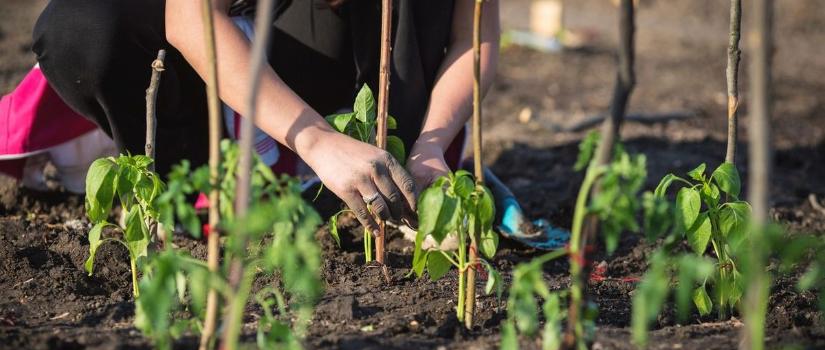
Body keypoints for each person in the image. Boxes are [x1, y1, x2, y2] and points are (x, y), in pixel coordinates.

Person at [0, 0, 568, 249]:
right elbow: (191, 15)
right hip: (233, 64)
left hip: (361, 66)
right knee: (84, 24)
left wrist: (431, 144)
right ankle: (186, 188)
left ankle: (378, 171)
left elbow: (474, 34)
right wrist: (316, 139)